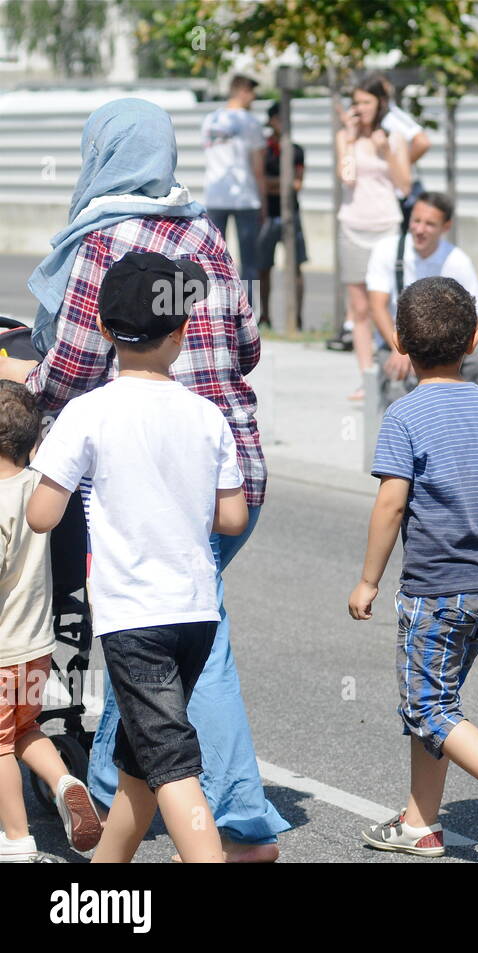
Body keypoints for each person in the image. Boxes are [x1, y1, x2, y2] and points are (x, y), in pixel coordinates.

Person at [0, 98, 288, 859]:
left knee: (195, 646)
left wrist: (17, 374)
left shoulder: (102, 238)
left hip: (151, 480)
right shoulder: (204, 234)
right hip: (235, 468)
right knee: (168, 642)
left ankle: (244, 822)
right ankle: (104, 806)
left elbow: (62, 377)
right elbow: (248, 346)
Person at [27, 251, 249, 863]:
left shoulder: (88, 412)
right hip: (196, 614)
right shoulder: (207, 416)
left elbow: (42, 514)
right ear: (180, 335)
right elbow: (231, 516)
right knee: (138, 765)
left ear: (101, 330)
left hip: (134, 619)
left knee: (171, 762)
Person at [348, 276, 478, 856]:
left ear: (401, 342)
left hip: (435, 589)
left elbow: (391, 502)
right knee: (440, 698)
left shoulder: (404, 415)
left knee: (428, 706)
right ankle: (421, 822)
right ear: (474, 339)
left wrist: (369, 579)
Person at [0, 381, 102, 862]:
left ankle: (17, 841)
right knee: (25, 729)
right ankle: (63, 783)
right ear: (34, 443)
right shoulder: (39, 490)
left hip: (1, 650)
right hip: (37, 646)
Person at [337, 74, 412, 401]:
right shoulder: (345, 137)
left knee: (395, 302)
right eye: (356, 102)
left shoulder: (394, 138)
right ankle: (366, 377)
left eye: (366, 102)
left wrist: (386, 152)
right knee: (360, 308)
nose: (361, 108)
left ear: (380, 104)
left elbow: (405, 186)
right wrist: (351, 140)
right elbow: (347, 177)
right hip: (354, 226)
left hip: (386, 228)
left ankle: (402, 366)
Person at [364, 192, 478, 388]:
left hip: (447, 349)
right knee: (396, 381)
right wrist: (400, 349)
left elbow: (477, 318)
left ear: (446, 226)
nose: (419, 229)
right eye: (416, 221)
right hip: (397, 344)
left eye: (429, 224)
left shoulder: (457, 261)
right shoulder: (386, 251)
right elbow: (377, 307)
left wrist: (451, 360)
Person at [201, 74, 267, 286]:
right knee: (249, 263)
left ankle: (219, 313)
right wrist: (263, 201)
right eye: (253, 93)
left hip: (214, 196)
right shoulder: (250, 122)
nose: (253, 98)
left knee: (215, 260)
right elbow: (258, 168)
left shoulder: (209, 120)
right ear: (243, 91)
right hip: (245, 197)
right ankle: (249, 313)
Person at [256, 99, 306, 330]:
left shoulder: (296, 151)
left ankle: (297, 317)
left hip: (291, 213)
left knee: (295, 266)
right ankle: (265, 315)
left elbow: (296, 184)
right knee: (263, 267)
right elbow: (260, 183)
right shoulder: (264, 150)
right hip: (268, 213)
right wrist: (278, 183)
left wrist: (274, 183)